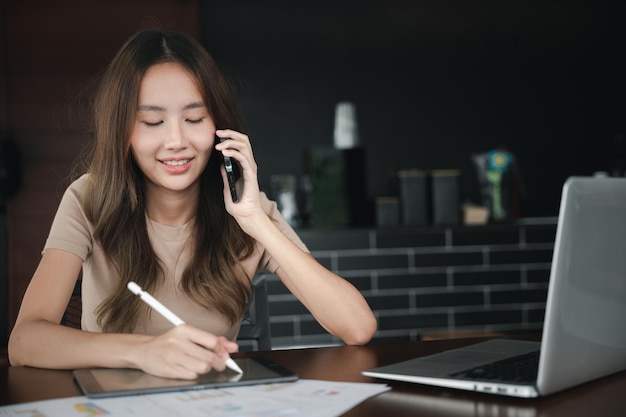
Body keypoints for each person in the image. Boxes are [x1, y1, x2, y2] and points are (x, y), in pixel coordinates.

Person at [8, 28, 377, 379]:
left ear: (218, 125)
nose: (176, 140)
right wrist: (142, 352)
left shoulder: (247, 209)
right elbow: (24, 342)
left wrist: (256, 221)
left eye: (194, 118)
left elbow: (357, 327)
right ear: (124, 130)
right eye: (152, 121)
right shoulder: (89, 197)